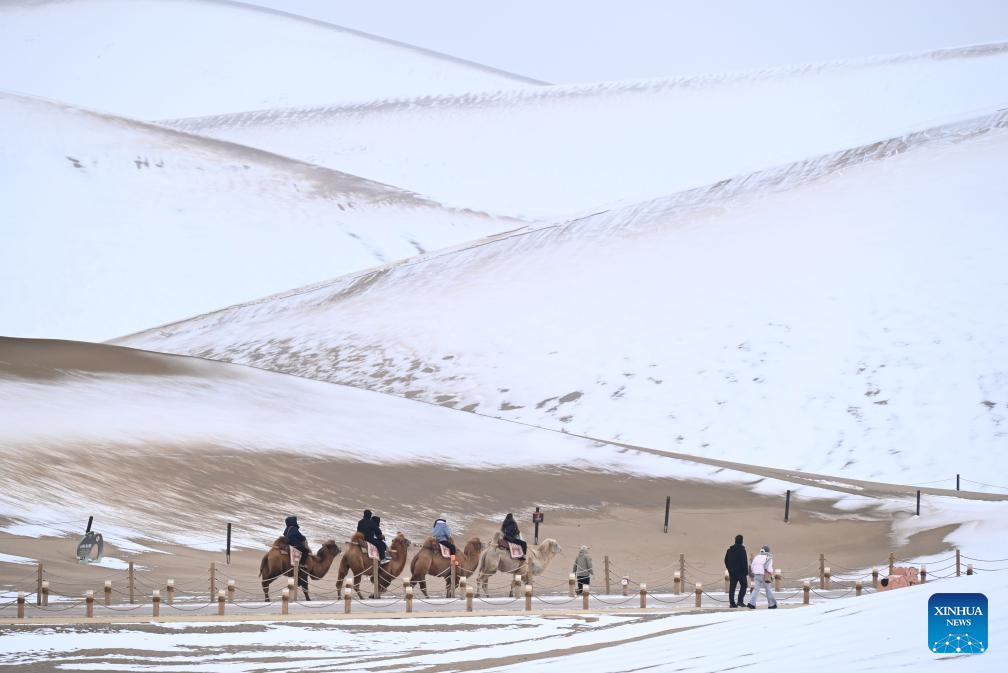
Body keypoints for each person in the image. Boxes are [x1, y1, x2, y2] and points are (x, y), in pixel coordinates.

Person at [747, 545, 778, 609]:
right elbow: (768, 568)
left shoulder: (756, 557)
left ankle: (751, 604)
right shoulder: (768, 557)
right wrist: (771, 573)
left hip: (756, 575)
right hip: (765, 576)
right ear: (768, 551)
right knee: (768, 590)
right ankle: (771, 605)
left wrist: (754, 573)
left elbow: (752, 566)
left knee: (755, 590)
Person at [723, 534, 749, 608]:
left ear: (735, 540)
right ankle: (740, 601)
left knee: (732, 588)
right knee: (744, 585)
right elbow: (744, 562)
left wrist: (729, 569)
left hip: (732, 572)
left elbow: (725, 560)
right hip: (741, 572)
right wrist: (746, 572)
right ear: (741, 541)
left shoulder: (729, 550)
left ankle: (732, 603)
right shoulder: (742, 550)